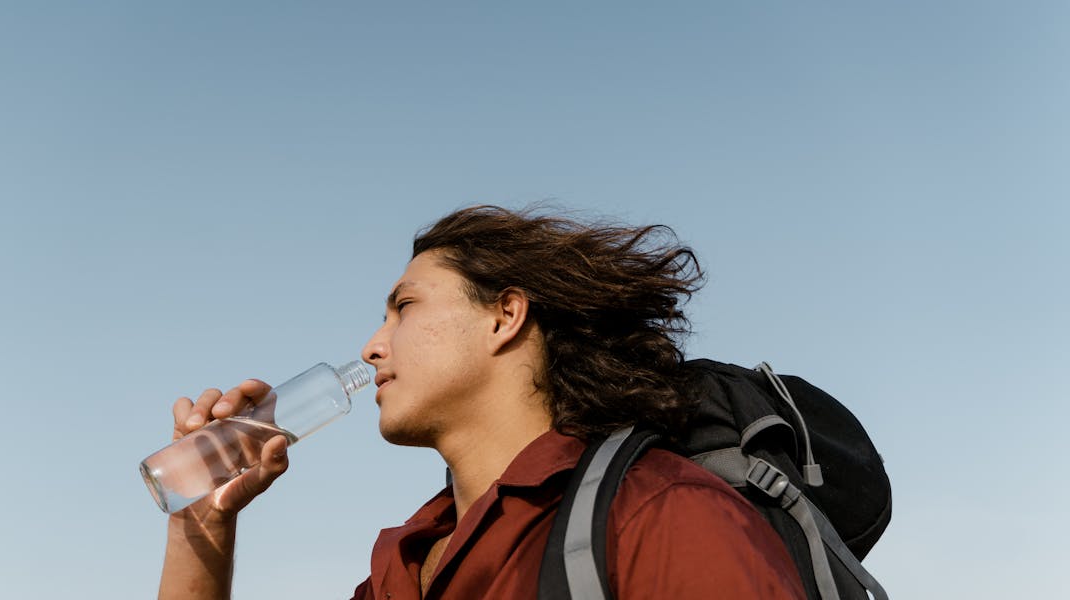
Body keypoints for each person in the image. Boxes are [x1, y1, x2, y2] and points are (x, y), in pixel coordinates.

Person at [157, 205, 806, 599]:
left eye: (404, 307)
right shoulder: (403, 569)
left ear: (505, 315)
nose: (373, 346)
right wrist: (202, 525)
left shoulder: (656, 515)